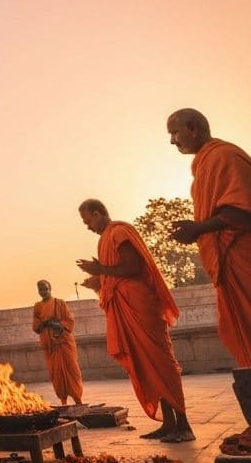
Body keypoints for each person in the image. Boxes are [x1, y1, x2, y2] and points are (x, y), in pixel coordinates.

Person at [76, 199, 194, 442]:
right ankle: (169, 423)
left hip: (142, 305)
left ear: (98, 213)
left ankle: (184, 426)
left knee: (161, 364)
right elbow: (116, 275)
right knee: (147, 366)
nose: (88, 226)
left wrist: (101, 271)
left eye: (88, 220)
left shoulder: (119, 231)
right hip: (129, 304)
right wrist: (99, 281)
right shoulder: (104, 238)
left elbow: (132, 267)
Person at [166, 109, 251, 369]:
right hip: (230, 261)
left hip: (242, 254)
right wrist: (198, 229)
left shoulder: (224, 156)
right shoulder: (204, 164)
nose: (172, 141)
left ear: (192, 127)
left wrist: (199, 228)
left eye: (174, 132)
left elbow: (241, 210)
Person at [32, 279, 84, 406]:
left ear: (50, 288)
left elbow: (69, 321)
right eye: (41, 289)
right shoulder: (38, 306)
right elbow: (36, 326)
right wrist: (44, 323)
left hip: (64, 343)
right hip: (50, 346)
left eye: (45, 288)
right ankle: (63, 401)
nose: (43, 291)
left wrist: (56, 324)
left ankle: (78, 399)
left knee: (73, 371)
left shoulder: (59, 303)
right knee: (56, 373)